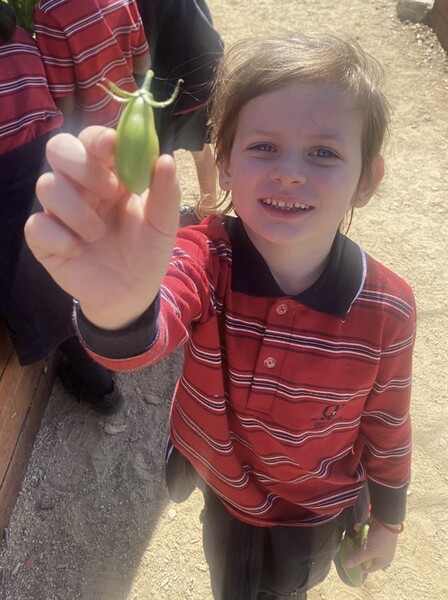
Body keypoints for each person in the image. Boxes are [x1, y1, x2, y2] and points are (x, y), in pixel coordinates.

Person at [25, 34, 416, 599]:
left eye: (324, 152)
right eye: (263, 147)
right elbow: (153, 324)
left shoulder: (388, 308)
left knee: (288, 587)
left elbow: (388, 427)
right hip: (224, 486)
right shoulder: (206, 253)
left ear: (367, 179)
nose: (289, 172)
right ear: (224, 163)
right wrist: (119, 307)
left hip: (314, 508)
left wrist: (388, 520)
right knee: (230, 581)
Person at [0, 1, 123, 416]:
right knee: (74, 265)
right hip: (55, 162)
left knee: (35, 290)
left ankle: (102, 389)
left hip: (12, 179)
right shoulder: (18, 39)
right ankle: (114, 349)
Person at [136, 0, 224, 210]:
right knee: (200, 147)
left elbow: (142, 59)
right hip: (205, 67)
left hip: (172, 81)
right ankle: (208, 213)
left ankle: (169, 218)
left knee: (162, 154)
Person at [33, 0, 150, 131]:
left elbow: (66, 105)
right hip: (135, 119)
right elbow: (143, 65)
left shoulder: (49, 11)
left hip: (92, 135)